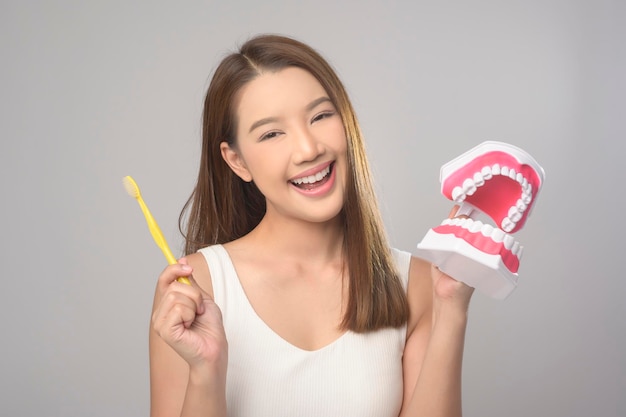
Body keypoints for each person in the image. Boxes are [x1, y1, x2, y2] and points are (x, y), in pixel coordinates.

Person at [149, 34, 474, 417]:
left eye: (320, 116)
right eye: (272, 133)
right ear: (237, 161)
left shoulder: (417, 284)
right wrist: (205, 371)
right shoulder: (197, 288)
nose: (309, 149)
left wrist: (451, 311)